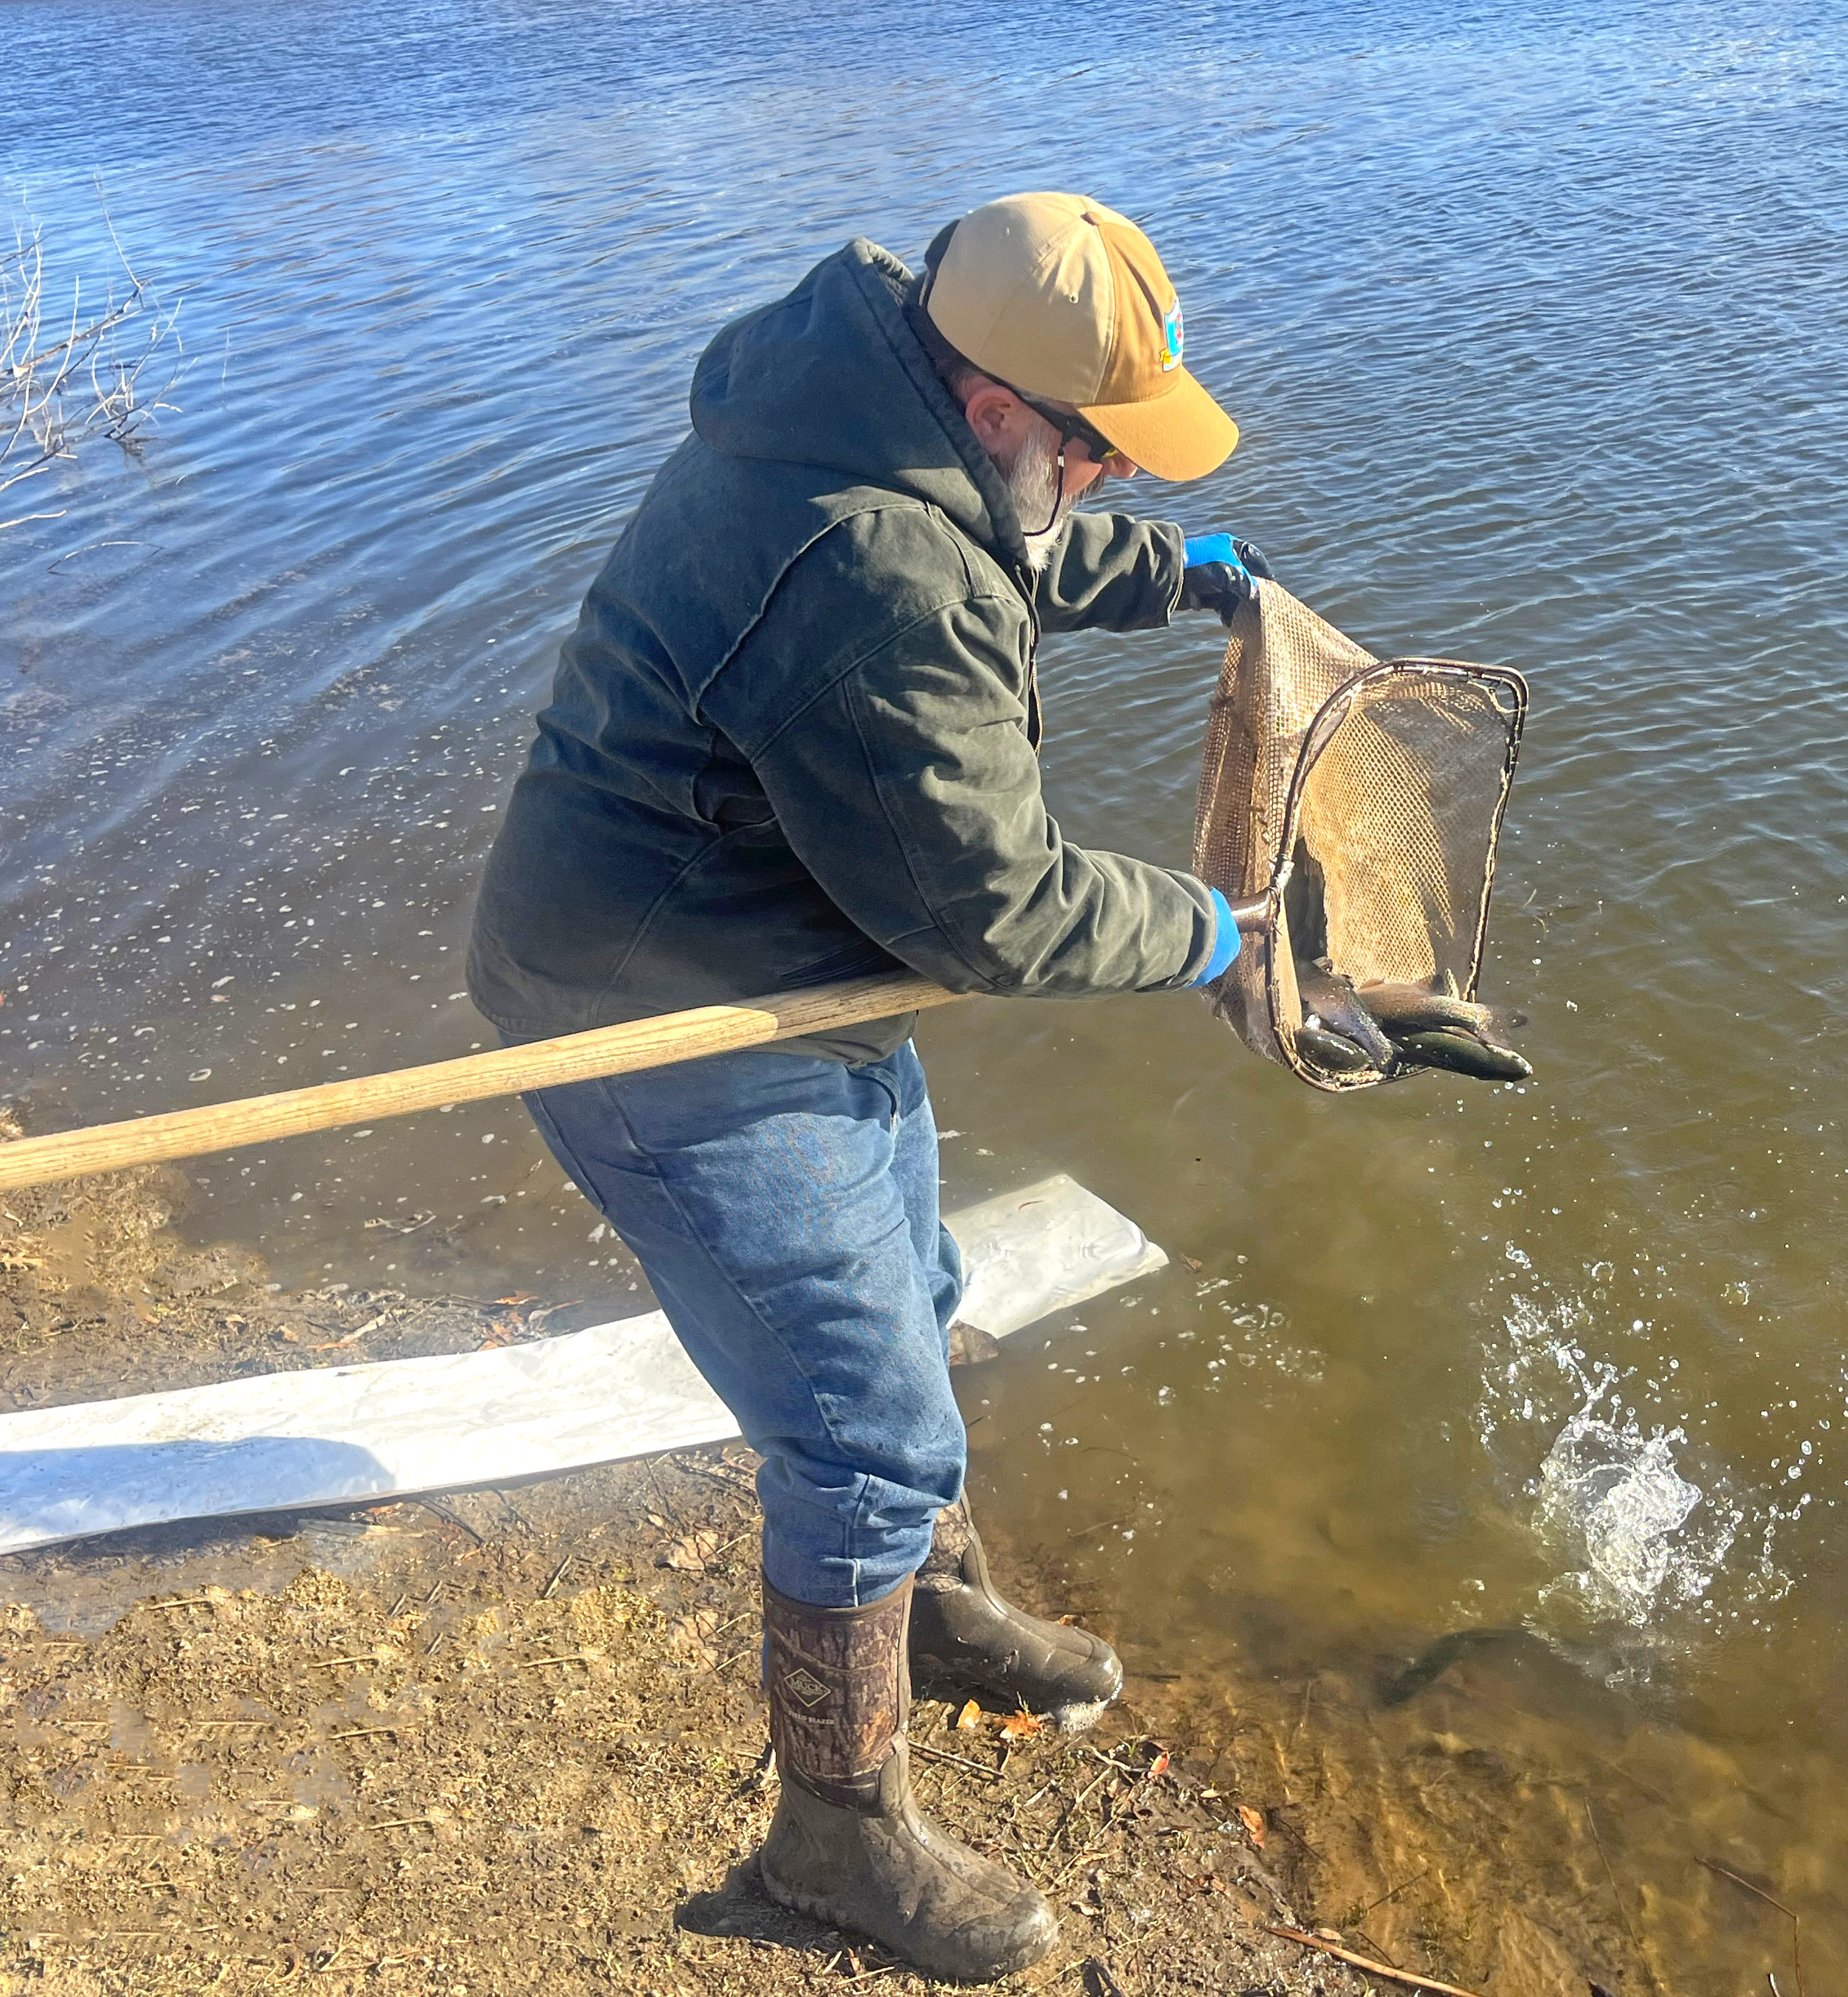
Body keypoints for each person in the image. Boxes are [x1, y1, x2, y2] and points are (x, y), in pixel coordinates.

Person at [465, 192, 1271, 1980]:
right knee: (857, 1424)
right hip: (659, 1016)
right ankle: (835, 1842)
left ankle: (939, 1610)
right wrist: (1214, 935)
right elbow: (1002, 906)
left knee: (917, 1293)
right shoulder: (872, 572)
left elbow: (1029, 546)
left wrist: (1190, 581)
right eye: (1101, 454)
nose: (1112, 482)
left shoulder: (878, 393)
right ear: (998, 409)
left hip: (769, 952)